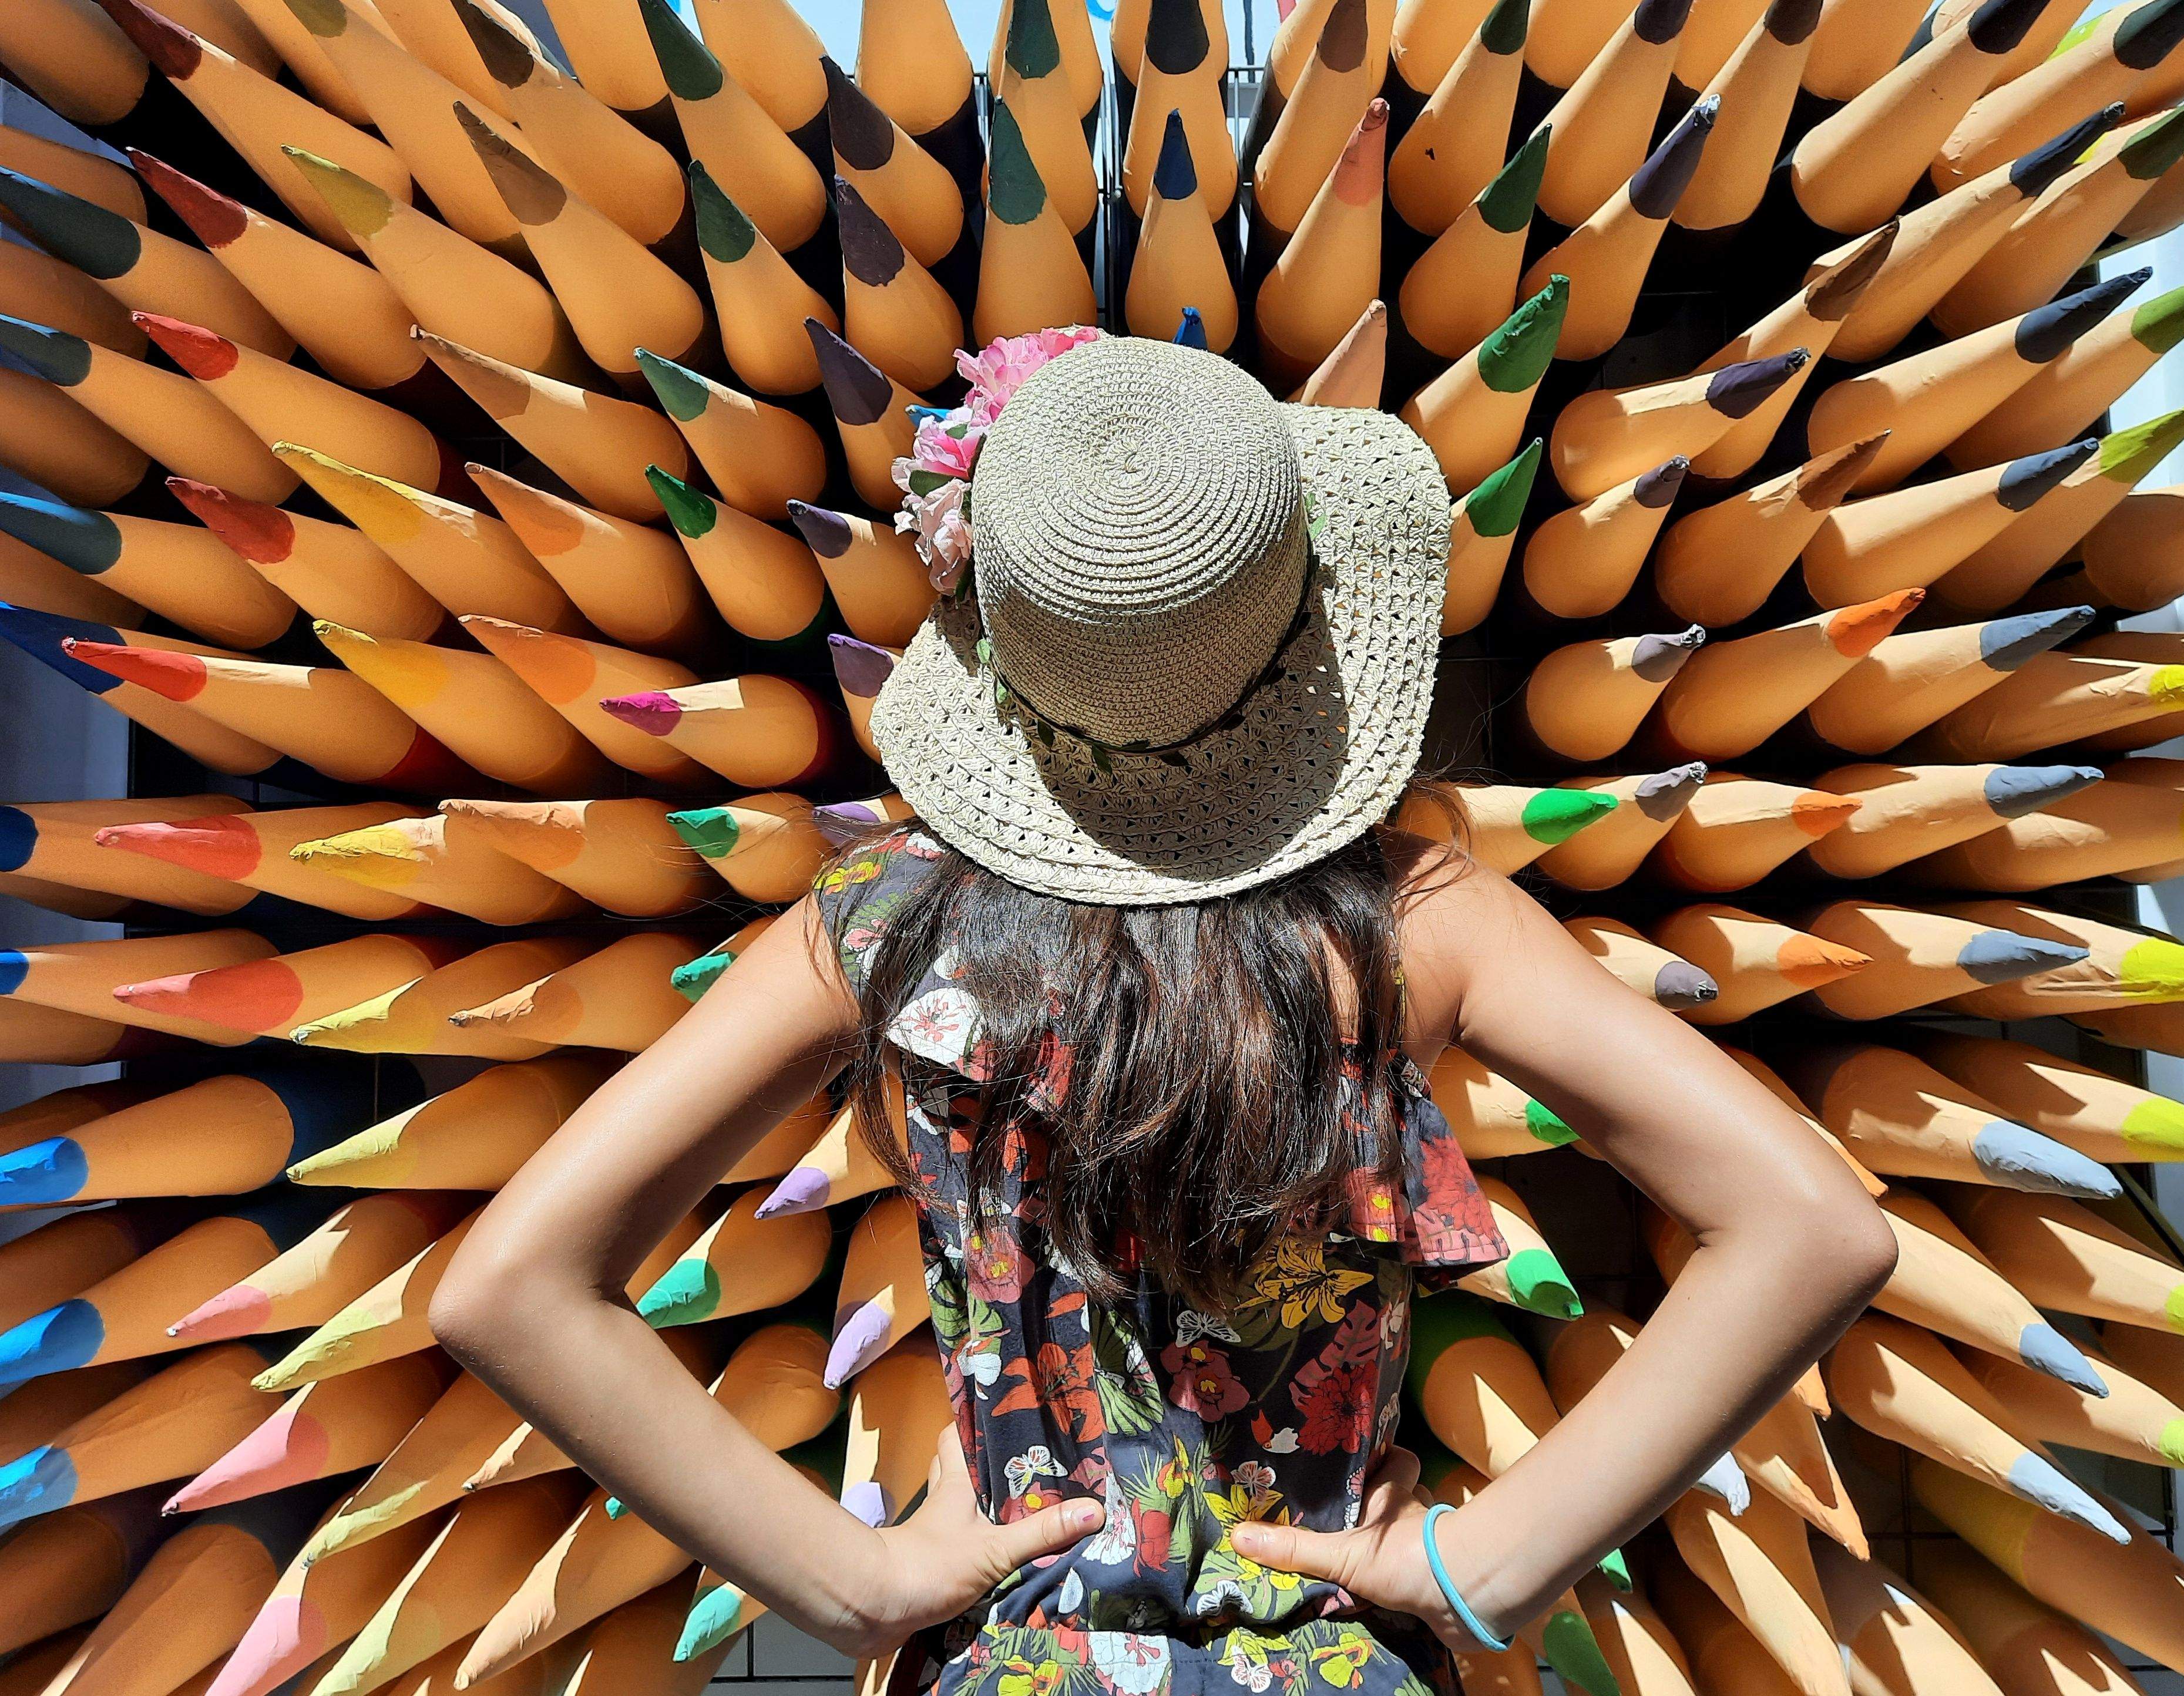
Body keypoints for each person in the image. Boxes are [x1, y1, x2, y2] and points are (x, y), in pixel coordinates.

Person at [427, 331, 1898, 1696]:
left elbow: (509, 1287)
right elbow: (1811, 1226)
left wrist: (856, 1579)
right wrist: (1482, 1563)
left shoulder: (875, 925)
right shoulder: (1414, 921)